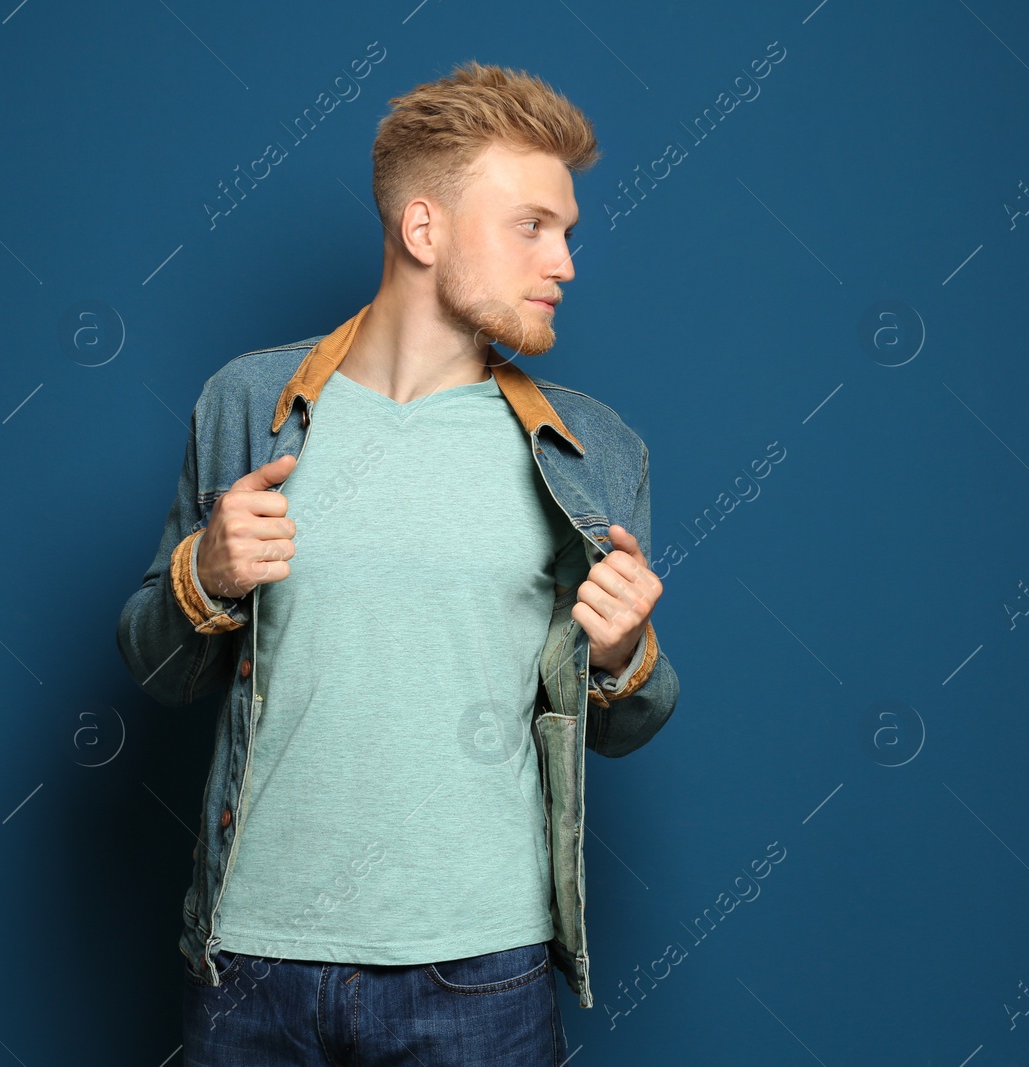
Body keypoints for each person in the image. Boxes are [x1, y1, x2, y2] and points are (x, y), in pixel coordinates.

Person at [114, 59, 679, 1065]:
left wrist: (624, 650)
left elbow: (628, 724)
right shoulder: (247, 405)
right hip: (251, 960)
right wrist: (207, 572)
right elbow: (157, 667)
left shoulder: (593, 450)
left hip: (481, 969)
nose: (566, 263)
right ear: (424, 230)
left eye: (567, 231)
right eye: (531, 226)